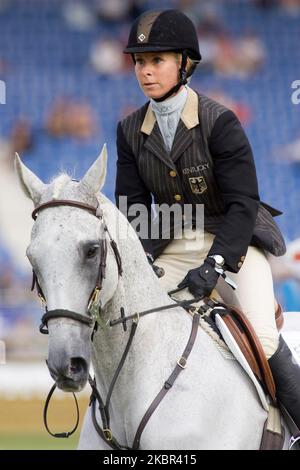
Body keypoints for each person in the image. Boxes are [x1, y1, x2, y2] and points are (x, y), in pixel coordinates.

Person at [115, 9, 300, 432]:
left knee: (263, 339)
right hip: (174, 241)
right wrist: (141, 259)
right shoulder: (128, 131)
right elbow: (132, 208)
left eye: (156, 60)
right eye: (139, 62)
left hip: (237, 239)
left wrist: (217, 264)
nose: (145, 71)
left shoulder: (220, 121)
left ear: (185, 63)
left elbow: (242, 203)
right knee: (129, 323)